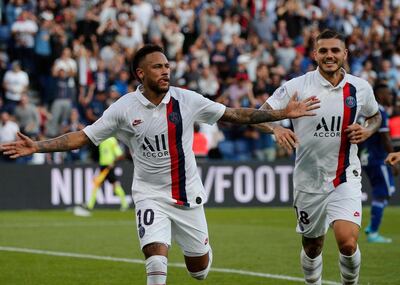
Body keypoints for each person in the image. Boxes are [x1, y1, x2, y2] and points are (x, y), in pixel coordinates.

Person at [0, 44, 319, 285]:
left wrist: (281, 115)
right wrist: (38, 146)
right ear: (141, 74)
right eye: (157, 67)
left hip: (188, 196)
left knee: (200, 271)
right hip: (149, 194)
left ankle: (201, 255)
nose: (165, 71)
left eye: (167, 66)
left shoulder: (188, 100)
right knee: (155, 257)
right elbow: (83, 136)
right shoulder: (124, 108)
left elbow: (236, 115)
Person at [257, 30, 381, 285]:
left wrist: (368, 129)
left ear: (345, 54)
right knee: (313, 246)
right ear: (315, 54)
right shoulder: (297, 86)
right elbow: (261, 114)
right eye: (323, 50)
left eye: (335, 50)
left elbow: (375, 116)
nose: (329, 56)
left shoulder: (360, 88)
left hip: (345, 175)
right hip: (308, 180)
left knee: (347, 242)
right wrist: (278, 127)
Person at [359, 83, 398, 243]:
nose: (391, 97)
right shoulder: (379, 112)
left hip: (367, 157)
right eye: (388, 94)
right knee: (383, 193)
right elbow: (385, 138)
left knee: (383, 191)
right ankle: (373, 231)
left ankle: (372, 228)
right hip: (378, 158)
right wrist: (394, 159)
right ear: (380, 95)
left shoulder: (365, 113)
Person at [86, 136, 129, 212]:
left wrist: (113, 162)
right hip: (103, 166)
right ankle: (90, 205)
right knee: (100, 184)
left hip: (109, 166)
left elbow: (119, 155)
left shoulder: (111, 140)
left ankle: (125, 204)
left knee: (112, 185)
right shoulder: (102, 140)